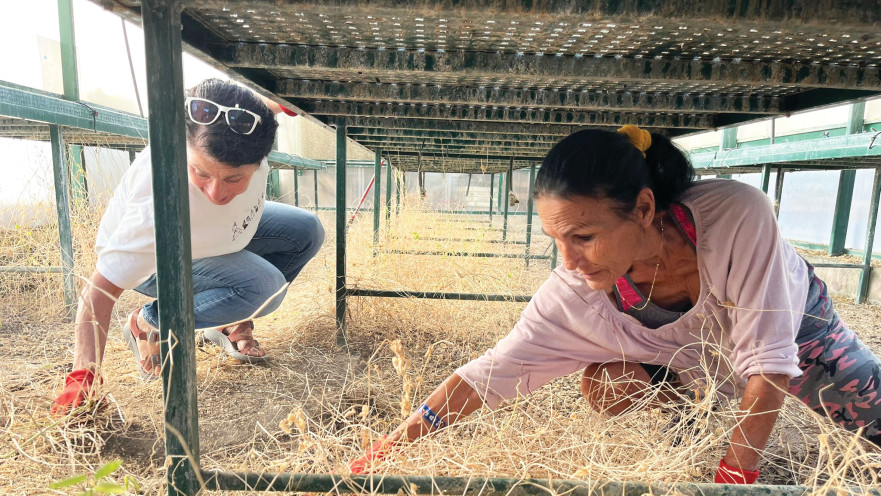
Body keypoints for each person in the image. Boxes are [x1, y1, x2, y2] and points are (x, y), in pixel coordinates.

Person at [348, 126, 881, 484]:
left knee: (870, 413)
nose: (570, 260)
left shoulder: (735, 216)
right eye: (557, 240)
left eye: (583, 236)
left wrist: (733, 481)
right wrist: (388, 447)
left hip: (796, 338)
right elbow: (490, 373)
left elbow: (770, 362)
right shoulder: (576, 293)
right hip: (695, 368)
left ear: (644, 208)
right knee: (608, 382)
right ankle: (692, 429)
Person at [52, 79, 325, 415]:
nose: (215, 193)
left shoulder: (247, 130)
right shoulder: (157, 205)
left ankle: (228, 321)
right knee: (265, 287)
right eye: (200, 173)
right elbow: (98, 294)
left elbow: (265, 104)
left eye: (233, 179)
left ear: (261, 160)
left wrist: (291, 98)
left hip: (222, 235)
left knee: (306, 231)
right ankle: (152, 322)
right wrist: (82, 376)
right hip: (159, 261)